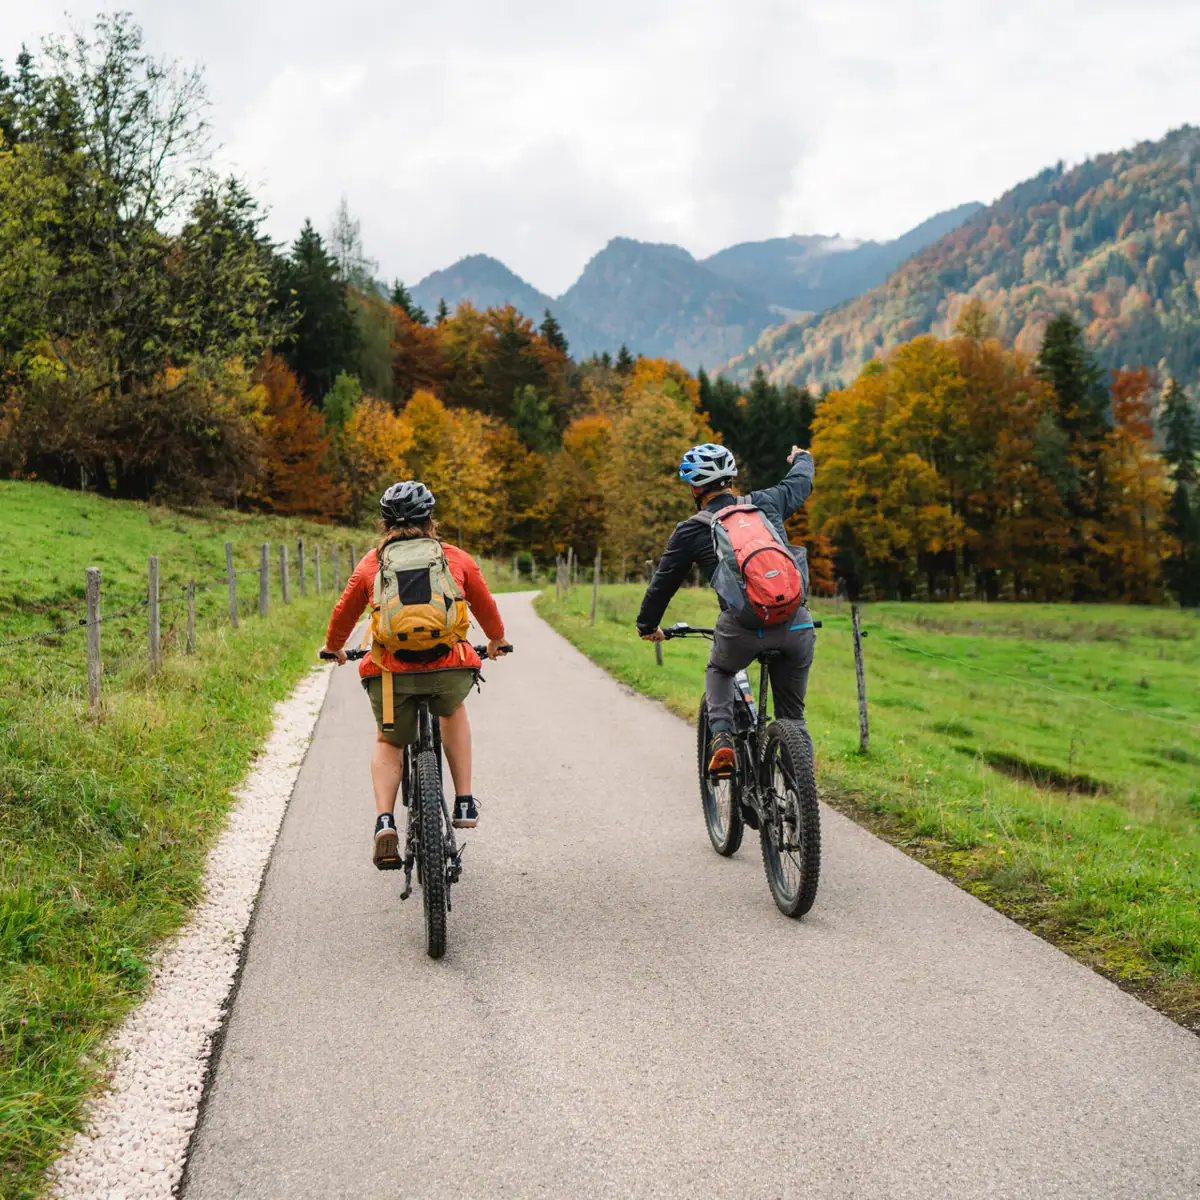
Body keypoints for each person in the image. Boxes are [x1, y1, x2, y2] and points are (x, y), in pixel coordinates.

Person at [323, 481, 511, 869]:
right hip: (447, 667)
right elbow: (485, 605)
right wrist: (496, 640)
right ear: (431, 520)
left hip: (390, 673)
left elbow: (344, 612)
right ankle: (463, 800)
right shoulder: (453, 558)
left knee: (389, 740)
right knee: (453, 709)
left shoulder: (372, 563)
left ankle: (384, 820)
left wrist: (335, 647)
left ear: (384, 523)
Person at [636, 443, 816, 774]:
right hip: (796, 625)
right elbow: (801, 483)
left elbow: (662, 585)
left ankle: (721, 737)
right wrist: (801, 458)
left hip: (741, 631)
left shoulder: (692, 529)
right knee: (793, 718)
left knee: (719, 670)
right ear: (731, 478)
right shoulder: (767, 502)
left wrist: (647, 626)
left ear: (695, 487)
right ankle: (801, 801)